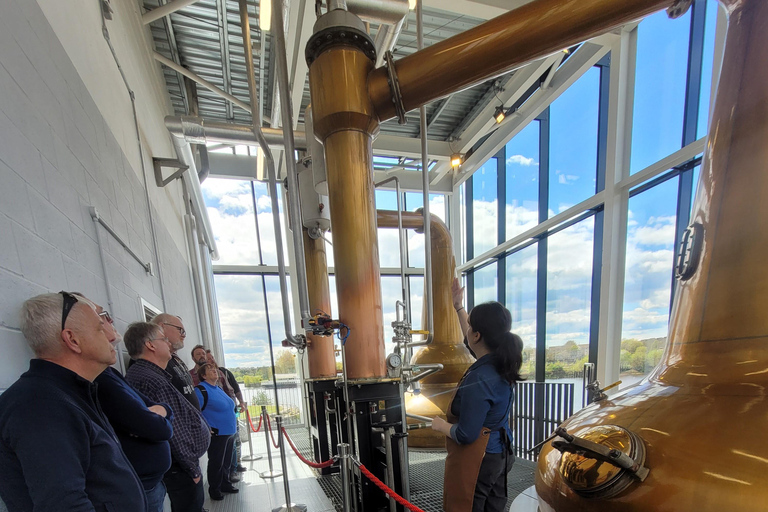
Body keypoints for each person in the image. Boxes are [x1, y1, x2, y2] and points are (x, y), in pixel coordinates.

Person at [0, 292, 146, 511]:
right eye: (99, 327)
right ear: (72, 340)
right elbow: (65, 505)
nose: (110, 336)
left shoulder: (71, 392)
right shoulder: (41, 407)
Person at [431, 278, 523, 512]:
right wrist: (458, 307)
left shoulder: (479, 377)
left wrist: (441, 426)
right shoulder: (499, 363)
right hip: (501, 453)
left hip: (480, 459)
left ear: (478, 335)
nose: (468, 331)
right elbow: (470, 338)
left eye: (471, 327)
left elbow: (466, 434)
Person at [90, 299, 174, 512]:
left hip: (150, 482)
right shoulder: (104, 380)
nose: (109, 320)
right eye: (101, 317)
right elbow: (157, 427)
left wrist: (162, 411)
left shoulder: (110, 374)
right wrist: (158, 415)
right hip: (141, 486)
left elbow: (161, 409)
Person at [125, 322, 211, 512]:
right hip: (181, 469)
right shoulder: (149, 379)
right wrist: (192, 469)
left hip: (181, 467)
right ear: (150, 345)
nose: (169, 344)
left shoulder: (153, 374)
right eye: (164, 339)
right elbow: (173, 430)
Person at [194, 363, 239, 501]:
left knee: (226, 461)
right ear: (203, 375)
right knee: (216, 462)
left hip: (229, 431)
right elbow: (196, 412)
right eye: (210, 370)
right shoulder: (201, 390)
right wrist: (207, 427)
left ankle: (225, 484)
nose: (214, 371)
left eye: (215, 369)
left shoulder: (218, 388)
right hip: (217, 432)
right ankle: (215, 489)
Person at [206, 349, 248, 477]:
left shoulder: (225, 372)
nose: (211, 360)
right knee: (224, 444)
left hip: (233, 411)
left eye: (211, 357)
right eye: (208, 359)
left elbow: (235, 388)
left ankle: (236, 464)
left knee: (236, 436)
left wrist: (241, 402)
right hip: (216, 420)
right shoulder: (201, 382)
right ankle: (229, 471)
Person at [151, 313, 200, 409]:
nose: (183, 335)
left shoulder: (174, 358)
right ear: (162, 327)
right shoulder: (155, 360)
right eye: (180, 330)